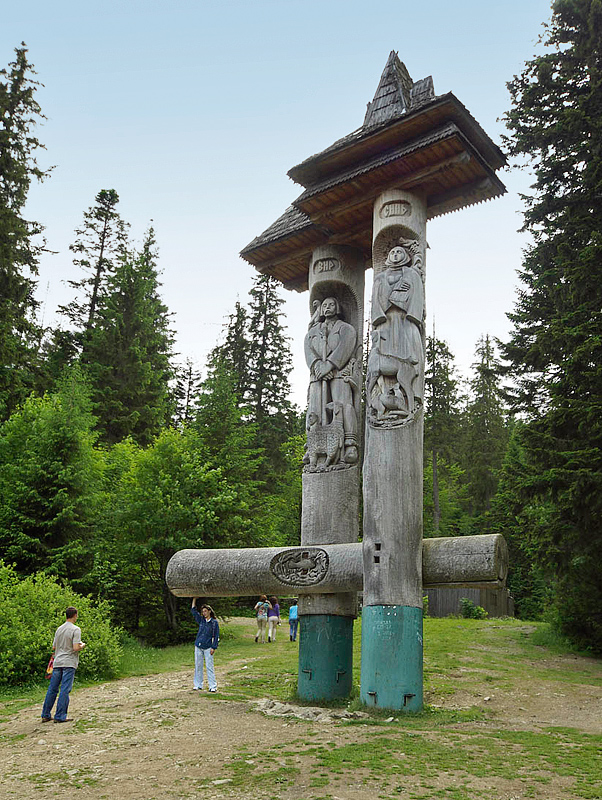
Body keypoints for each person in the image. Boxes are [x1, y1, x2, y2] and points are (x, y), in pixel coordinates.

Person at [304, 296, 359, 464]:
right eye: (325, 305)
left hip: (340, 372)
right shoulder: (313, 332)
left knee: (342, 405)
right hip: (317, 375)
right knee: (314, 407)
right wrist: (317, 366)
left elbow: (346, 345)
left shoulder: (346, 328)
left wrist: (330, 364)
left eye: (331, 305)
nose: (327, 307)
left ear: (338, 308)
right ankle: (312, 445)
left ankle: (349, 443)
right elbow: (308, 347)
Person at [41, 606, 86, 723]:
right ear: (75, 615)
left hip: (57, 662)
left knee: (52, 689)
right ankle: (60, 715)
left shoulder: (59, 629)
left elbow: (54, 647)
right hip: (69, 662)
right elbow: (75, 648)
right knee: (65, 689)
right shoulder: (76, 629)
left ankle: (45, 714)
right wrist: (82, 645)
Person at [191, 599, 219, 692]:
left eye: (205, 611)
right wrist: (194, 599)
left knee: (209, 666)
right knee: (198, 665)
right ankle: (198, 684)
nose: (204, 613)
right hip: (198, 645)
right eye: (203, 611)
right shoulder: (201, 620)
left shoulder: (214, 623)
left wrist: (214, 647)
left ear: (209, 611)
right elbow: (193, 611)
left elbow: (216, 636)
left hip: (208, 646)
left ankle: (212, 686)